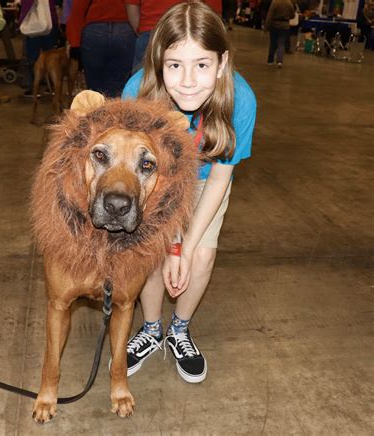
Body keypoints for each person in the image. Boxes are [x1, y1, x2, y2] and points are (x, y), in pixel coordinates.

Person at [122, 1, 256, 383]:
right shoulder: (138, 92)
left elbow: (220, 178)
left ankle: (179, 328)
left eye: (202, 64)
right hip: (152, 176)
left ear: (222, 63)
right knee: (150, 254)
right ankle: (150, 328)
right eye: (174, 65)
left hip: (205, 177)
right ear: (158, 62)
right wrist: (172, 245)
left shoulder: (241, 100)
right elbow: (145, 174)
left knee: (202, 256)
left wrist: (187, 246)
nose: (187, 80)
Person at [124, 0, 222, 73]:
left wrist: (140, 30)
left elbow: (132, 5)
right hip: (190, 33)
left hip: (151, 31)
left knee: (141, 85)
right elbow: (214, 12)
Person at [66, 0, 135, 97]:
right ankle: (116, 109)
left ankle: (99, 109)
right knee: (120, 87)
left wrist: (75, 44)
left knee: (95, 88)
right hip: (125, 30)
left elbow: (78, 10)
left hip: (94, 32)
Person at [19, 0, 61, 98]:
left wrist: (21, 20)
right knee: (51, 56)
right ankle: (52, 86)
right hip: (50, 20)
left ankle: (34, 88)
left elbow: (26, 4)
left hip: (34, 23)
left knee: (33, 57)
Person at [264, 0, 295, 67]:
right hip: (285, 26)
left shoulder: (275, 2)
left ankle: (270, 60)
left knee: (273, 43)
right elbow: (293, 15)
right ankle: (279, 61)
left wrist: (266, 27)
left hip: (275, 25)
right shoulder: (289, 3)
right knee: (281, 43)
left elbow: (270, 15)